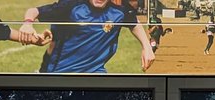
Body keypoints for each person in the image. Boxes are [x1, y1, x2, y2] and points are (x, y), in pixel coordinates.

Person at [24, 0, 155, 73]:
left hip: (96, 73)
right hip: (62, 74)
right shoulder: (70, 6)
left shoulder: (119, 10)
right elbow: (34, 11)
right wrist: (28, 24)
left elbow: (134, 23)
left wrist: (146, 47)